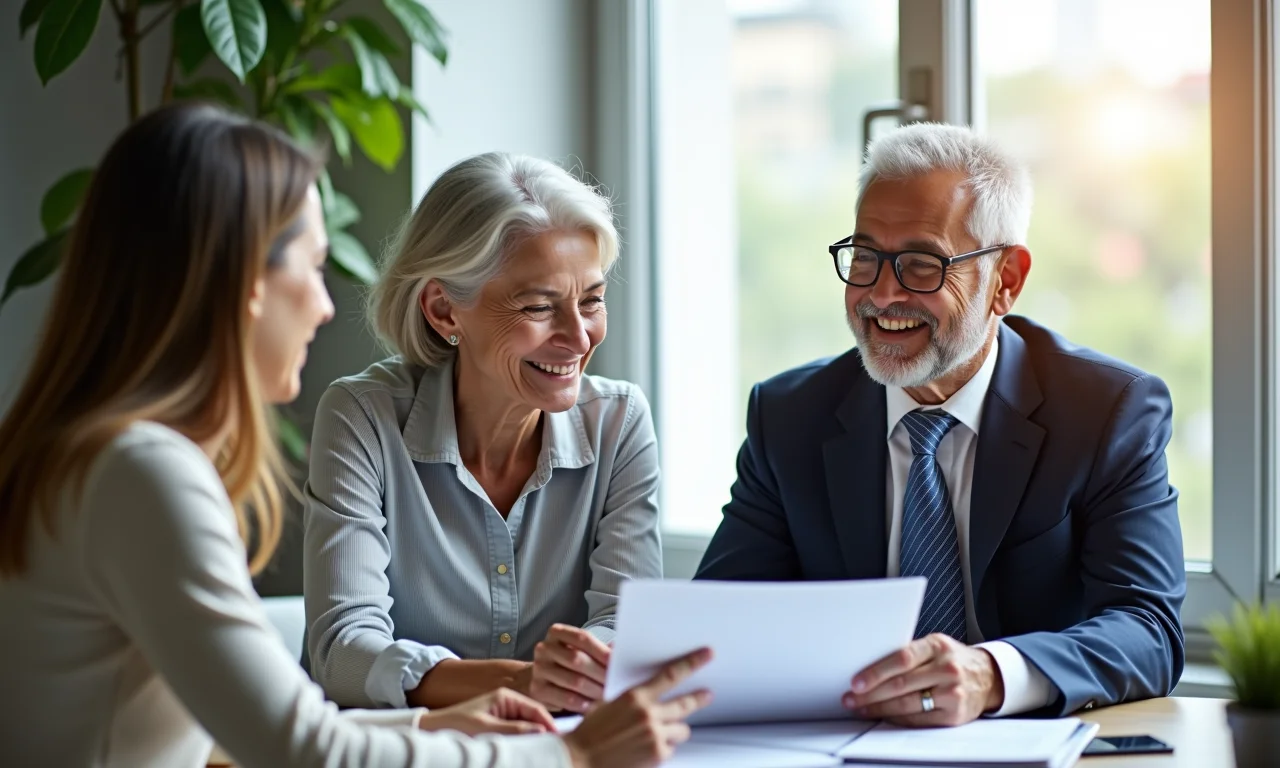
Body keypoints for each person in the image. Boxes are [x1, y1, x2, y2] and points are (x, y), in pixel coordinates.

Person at [0, 103, 710, 768]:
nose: (324, 304)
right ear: (248, 284)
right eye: (311, 268)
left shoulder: (95, 458)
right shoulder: (143, 473)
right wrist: (567, 755)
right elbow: (305, 749)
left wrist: (433, 724)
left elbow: (271, 735)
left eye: (591, 299)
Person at [695, 123, 1185, 726]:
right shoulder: (790, 415)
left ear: (1006, 280)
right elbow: (718, 622)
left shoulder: (1107, 411)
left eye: (922, 265)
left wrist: (991, 675)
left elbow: (1148, 627)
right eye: (867, 257)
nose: (881, 293)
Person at [303, 152, 659, 716]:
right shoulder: (362, 417)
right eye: (539, 306)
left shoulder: (619, 422)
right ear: (445, 310)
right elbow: (342, 652)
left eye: (591, 300)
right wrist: (523, 683)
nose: (578, 336)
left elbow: (627, 627)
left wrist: (580, 672)